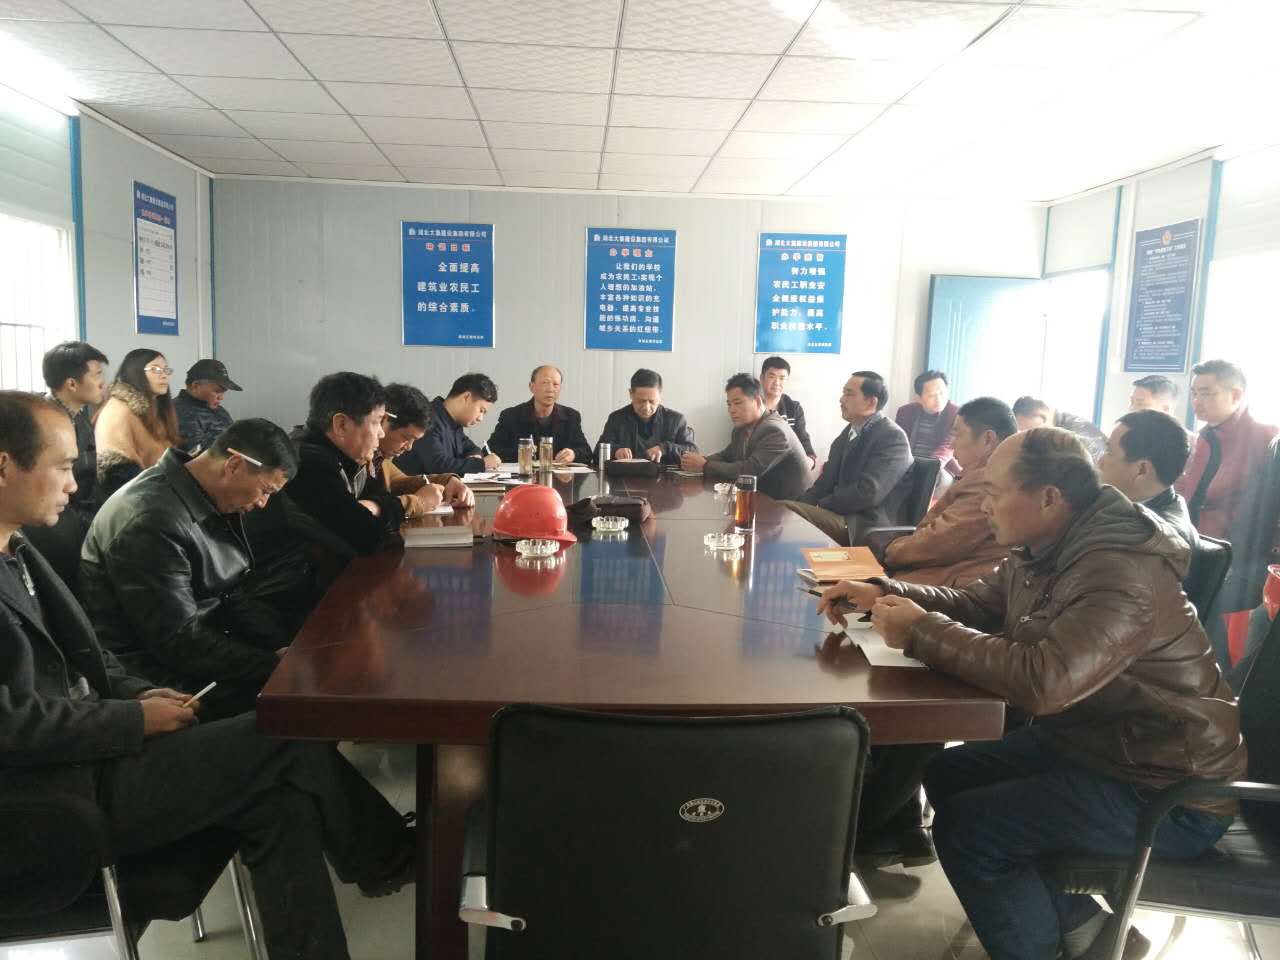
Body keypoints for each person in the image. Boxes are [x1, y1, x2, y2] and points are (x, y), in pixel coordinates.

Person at [0, 391, 418, 960]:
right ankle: (391, 855)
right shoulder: (144, 518)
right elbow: (10, 723)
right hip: (52, 795)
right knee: (287, 734)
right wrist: (130, 718)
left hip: (97, 740)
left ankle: (366, 886)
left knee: (281, 804)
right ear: (5, 465)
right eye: (64, 466)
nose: (76, 485)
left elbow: (87, 655)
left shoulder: (18, 549)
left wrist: (137, 695)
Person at [819, 427, 1246, 960]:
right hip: (1101, 745)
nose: (984, 504)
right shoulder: (1045, 546)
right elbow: (978, 605)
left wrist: (920, 631)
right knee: (947, 772)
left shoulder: (1118, 570)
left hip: (1168, 788)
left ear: (1049, 498)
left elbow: (1046, 682)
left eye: (994, 491)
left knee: (972, 831)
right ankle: (1087, 930)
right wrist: (886, 592)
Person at [80, 418, 298, 721]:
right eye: (265, 490)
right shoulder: (151, 519)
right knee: (293, 708)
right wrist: (268, 663)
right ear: (234, 465)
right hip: (148, 674)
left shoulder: (198, 493)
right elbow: (177, 640)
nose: (263, 503)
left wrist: (280, 646)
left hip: (200, 640)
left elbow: (229, 590)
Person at [1176, 360, 1280, 670]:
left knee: (1220, 641)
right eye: (1194, 393)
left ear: (1236, 395)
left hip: (1242, 558)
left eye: (1207, 393)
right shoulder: (1201, 438)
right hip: (1198, 546)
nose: (1197, 401)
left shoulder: (1266, 438)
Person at [883, 396, 1017, 586]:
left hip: (950, 583)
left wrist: (891, 550)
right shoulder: (981, 475)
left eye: (958, 434)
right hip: (938, 573)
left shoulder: (987, 481)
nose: (952, 444)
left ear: (988, 439)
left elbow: (938, 544)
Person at [781, 371, 912, 545]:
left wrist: (821, 505)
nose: (841, 399)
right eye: (843, 392)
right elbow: (824, 482)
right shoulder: (848, 433)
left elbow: (868, 492)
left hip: (862, 524)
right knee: (782, 509)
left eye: (849, 394)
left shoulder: (892, 437)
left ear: (871, 403)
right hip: (840, 515)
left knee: (784, 511)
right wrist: (805, 503)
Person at [285, 372, 405, 557]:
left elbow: (384, 497)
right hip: (294, 574)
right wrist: (380, 508)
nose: (382, 434)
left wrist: (375, 506)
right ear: (341, 425)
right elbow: (370, 539)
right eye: (376, 422)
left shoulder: (350, 457)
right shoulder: (308, 464)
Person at [680, 373, 809, 501]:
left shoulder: (774, 430)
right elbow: (727, 455)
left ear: (757, 401)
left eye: (738, 403)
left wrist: (705, 465)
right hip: (761, 497)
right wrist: (696, 462)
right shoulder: (741, 428)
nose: (732, 410)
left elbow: (749, 471)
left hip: (788, 505)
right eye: (729, 404)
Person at [371, 383, 474, 518]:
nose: (409, 447)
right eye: (406, 438)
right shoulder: (360, 454)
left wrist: (448, 481)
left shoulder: (380, 458)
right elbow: (358, 511)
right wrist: (419, 502)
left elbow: (399, 482)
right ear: (384, 420)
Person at [94, 348, 182, 503]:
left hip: (157, 492)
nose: (164, 375)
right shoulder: (118, 410)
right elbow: (117, 473)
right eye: (155, 369)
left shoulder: (153, 408)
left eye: (166, 369)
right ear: (135, 372)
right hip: (136, 500)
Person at [1099, 409, 1196, 549]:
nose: (1100, 462)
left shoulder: (1149, 537)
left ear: (1142, 470)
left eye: (1109, 452)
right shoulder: (1160, 502)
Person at [41, 340, 108, 516]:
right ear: (72, 384)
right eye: (97, 375)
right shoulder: (45, 424)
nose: (103, 383)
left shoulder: (79, 415)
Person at [394, 373, 500, 476]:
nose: (480, 418)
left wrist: (475, 456)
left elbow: (471, 448)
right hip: (414, 486)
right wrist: (481, 464)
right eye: (481, 410)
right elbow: (438, 466)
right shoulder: (427, 419)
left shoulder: (454, 422)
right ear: (466, 397)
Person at [487, 364, 593, 464]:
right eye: (545, 383)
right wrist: (522, 453)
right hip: (522, 474)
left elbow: (587, 453)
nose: (550, 389)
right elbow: (490, 450)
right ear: (531, 387)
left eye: (555, 384)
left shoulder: (571, 416)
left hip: (559, 476)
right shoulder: (511, 416)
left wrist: (574, 454)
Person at [596, 368, 697, 464]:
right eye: (641, 401)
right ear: (630, 394)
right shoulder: (617, 418)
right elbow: (597, 454)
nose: (646, 407)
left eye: (652, 401)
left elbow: (693, 452)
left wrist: (665, 448)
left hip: (665, 475)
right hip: (626, 475)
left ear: (660, 396)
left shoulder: (676, 420)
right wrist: (615, 451)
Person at [895, 369, 960, 478]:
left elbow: (947, 447)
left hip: (940, 468)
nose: (939, 399)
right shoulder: (905, 412)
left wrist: (928, 468)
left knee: (936, 477)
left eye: (942, 393)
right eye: (932, 395)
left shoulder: (956, 414)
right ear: (919, 398)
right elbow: (899, 443)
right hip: (908, 465)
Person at [174, 358, 242, 452]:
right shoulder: (176, 412)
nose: (221, 397)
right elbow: (196, 454)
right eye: (217, 391)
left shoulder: (220, 410)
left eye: (223, 392)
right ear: (196, 385)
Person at [759, 356, 816, 467]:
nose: (777, 382)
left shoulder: (793, 408)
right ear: (762, 378)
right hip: (759, 466)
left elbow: (803, 439)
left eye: (782, 378)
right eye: (772, 376)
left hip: (789, 467)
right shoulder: (752, 407)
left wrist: (810, 460)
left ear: (787, 380)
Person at [1013, 396, 1106, 462]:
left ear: (1040, 417)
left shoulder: (1072, 436)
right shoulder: (1068, 424)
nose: (1024, 439)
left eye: (1026, 432)